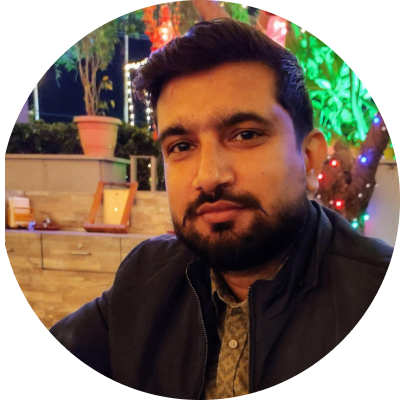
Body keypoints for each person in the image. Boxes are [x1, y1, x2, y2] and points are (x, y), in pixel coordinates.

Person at [49, 18, 393, 397]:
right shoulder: (144, 277)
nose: (209, 176)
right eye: (181, 146)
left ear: (309, 159)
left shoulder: (369, 289)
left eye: (245, 135)